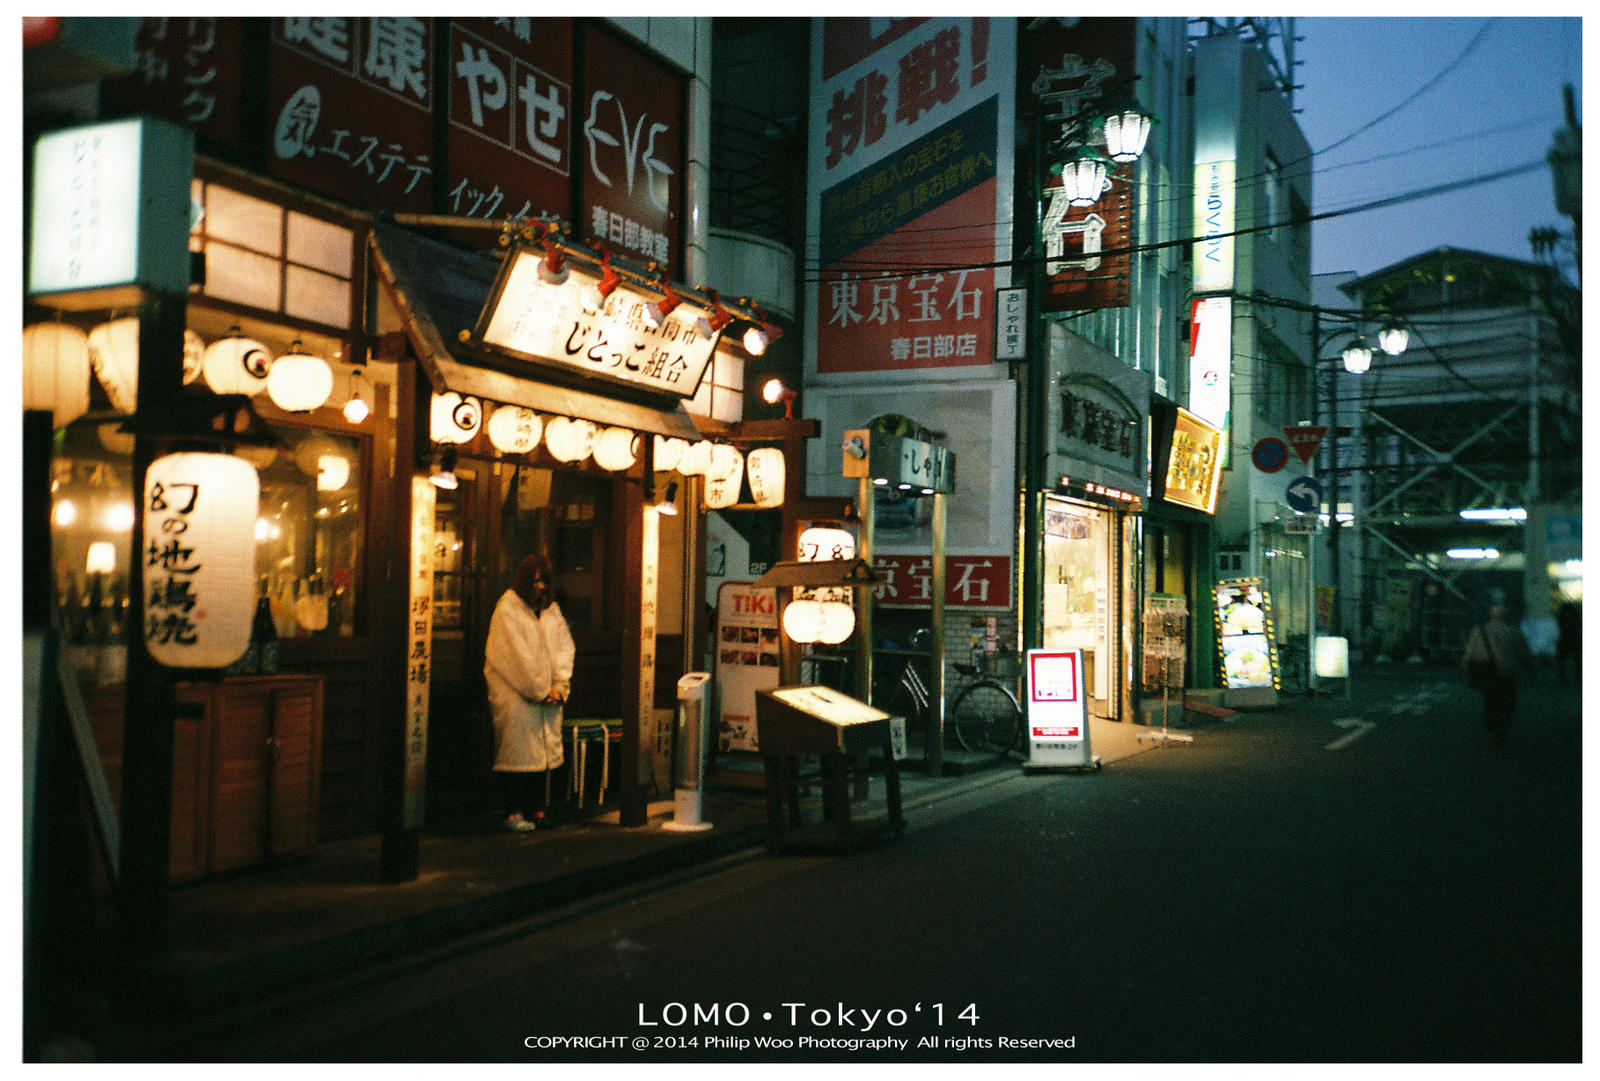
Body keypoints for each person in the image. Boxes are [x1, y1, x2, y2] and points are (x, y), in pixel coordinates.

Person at [484, 553, 575, 831]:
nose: (540, 587)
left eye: (544, 581)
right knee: (516, 755)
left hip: (547, 696)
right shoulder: (508, 609)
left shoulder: (552, 611)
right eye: (535, 581)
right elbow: (513, 657)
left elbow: (565, 649)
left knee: (542, 756)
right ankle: (511, 812)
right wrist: (539, 690)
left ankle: (537, 808)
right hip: (515, 697)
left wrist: (559, 686)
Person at [1460, 604, 1530, 746]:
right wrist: (1529, 667)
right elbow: (1523, 652)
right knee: (1507, 702)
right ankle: (1502, 730)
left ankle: (1492, 730)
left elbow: (1469, 653)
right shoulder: (1513, 631)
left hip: (1487, 672)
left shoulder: (1478, 631)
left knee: (1490, 702)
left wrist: (1466, 671)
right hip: (1507, 672)